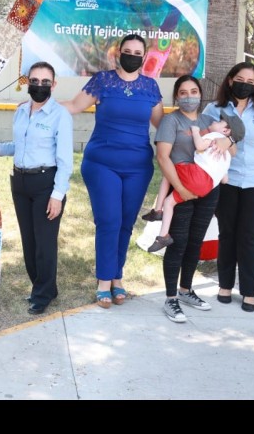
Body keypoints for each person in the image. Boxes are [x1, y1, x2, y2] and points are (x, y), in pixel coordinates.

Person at [62, 33, 164, 308]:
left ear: (144, 57)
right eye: (127, 51)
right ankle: (104, 281)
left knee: (125, 224)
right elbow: (73, 106)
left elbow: (163, 125)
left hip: (138, 168)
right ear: (118, 53)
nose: (132, 56)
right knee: (109, 221)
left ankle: (117, 277)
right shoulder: (103, 81)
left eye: (138, 53)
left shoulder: (150, 87)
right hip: (102, 163)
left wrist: (199, 133)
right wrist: (39, 105)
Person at [0, 62, 73, 315]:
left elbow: (65, 161)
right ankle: (44, 287)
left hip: (45, 184)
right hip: (20, 182)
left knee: (44, 243)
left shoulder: (60, 116)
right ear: (27, 82)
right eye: (34, 81)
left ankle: (42, 294)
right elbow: (19, 145)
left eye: (45, 82)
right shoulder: (20, 112)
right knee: (29, 240)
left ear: (53, 85)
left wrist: (57, 195)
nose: (39, 86)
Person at [155, 75, 234, 323]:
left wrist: (228, 139)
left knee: (195, 242)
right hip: (182, 187)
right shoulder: (171, 121)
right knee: (178, 243)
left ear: (200, 95)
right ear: (177, 97)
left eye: (193, 92)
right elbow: (163, 157)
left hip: (209, 190)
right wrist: (180, 188)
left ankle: (186, 290)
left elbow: (233, 149)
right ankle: (170, 298)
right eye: (183, 93)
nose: (189, 97)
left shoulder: (209, 121)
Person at [203, 62, 254, 313]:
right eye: (240, 79)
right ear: (230, 80)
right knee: (227, 233)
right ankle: (225, 285)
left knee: (249, 236)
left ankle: (249, 291)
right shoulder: (214, 109)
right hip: (226, 180)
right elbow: (202, 137)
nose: (245, 85)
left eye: (251, 82)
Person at [147, 110, 246, 253]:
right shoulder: (227, 156)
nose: (215, 121)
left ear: (225, 131)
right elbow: (225, 180)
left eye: (219, 122)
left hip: (196, 176)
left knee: (169, 170)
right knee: (170, 202)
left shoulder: (216, 137)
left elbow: (199, 146)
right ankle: (163, 236)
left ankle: (157, 211)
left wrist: (195, 131)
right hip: (205, 188)